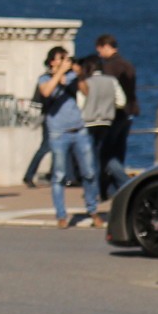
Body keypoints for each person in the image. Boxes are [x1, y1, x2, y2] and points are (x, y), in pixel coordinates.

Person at [36, 46, 100, 229]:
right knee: (59, 175)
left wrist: (80, 75)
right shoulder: (44, 78)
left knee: (89, 172)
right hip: (58, 133)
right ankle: (61, 215)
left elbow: (86, 92)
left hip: (78, 130)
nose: (65, 62)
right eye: (61, 58)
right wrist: (60, 74)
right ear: (52, 62)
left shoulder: (72, 77)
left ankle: (92, 209)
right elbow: (46, 92)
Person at [94, 33, 138, 196]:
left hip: (115, 114)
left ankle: (126, 185)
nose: (99, 54)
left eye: (100, 50)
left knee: (105, 154)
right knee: (118, 152)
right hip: (128, 113)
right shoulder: (127, 64)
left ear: (106, 47)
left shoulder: (110, 67)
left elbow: (107, 92)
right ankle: (114, 189)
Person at [79, 56, 129, 195]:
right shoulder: (111, 81)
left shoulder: (86, 83)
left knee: (90, 158)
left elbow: (80, 104)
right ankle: (115, 185)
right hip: (106, 123)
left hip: (88, 123)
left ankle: (92, 190)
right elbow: (121, 101)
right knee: (104, 155)